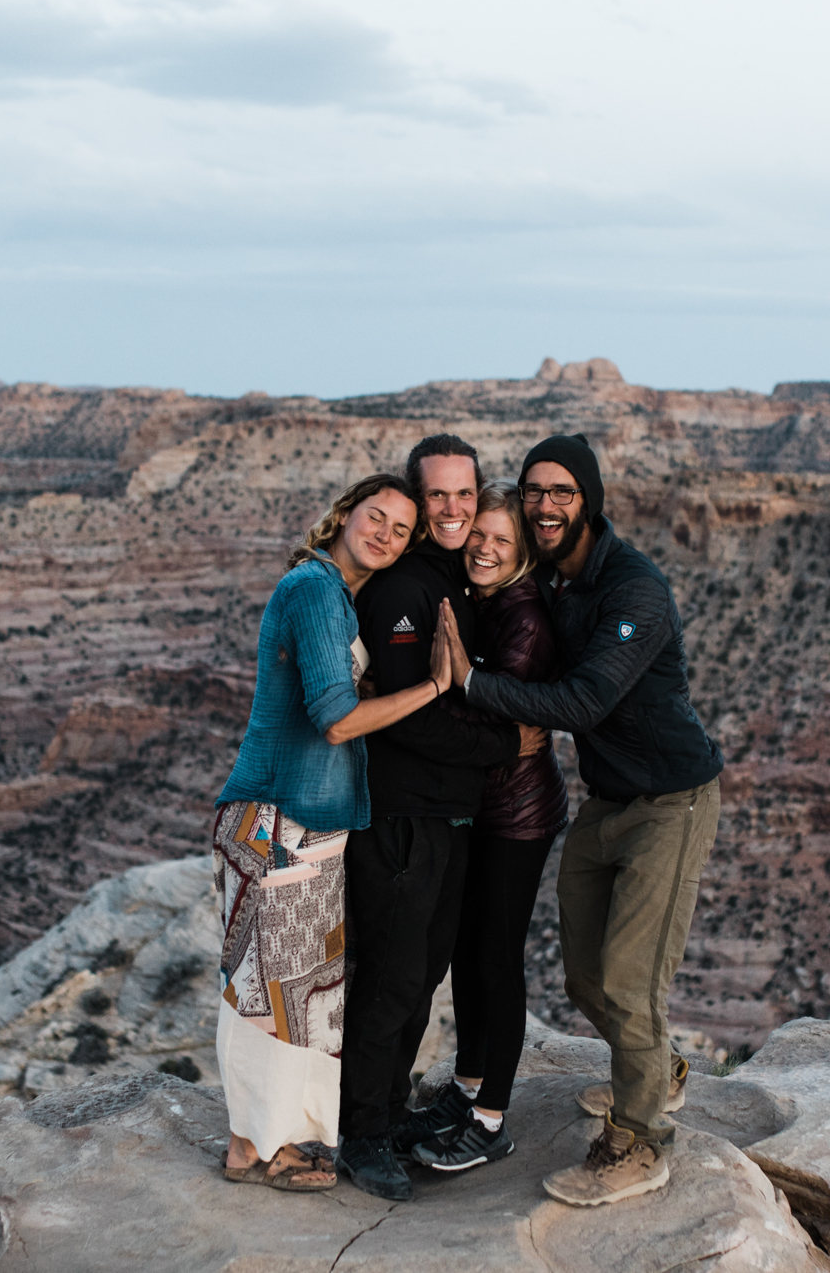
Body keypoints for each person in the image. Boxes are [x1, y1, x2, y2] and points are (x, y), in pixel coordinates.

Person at [438, 433, 723, 1207]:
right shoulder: (554, 580)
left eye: (562, 491)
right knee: (584, 976)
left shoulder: (635, 589)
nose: (546, 505)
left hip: (670, 802)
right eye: (534, 491)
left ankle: (639, 1140)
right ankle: (656, 1072)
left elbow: (583, 701)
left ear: (590, 498)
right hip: (606, 799)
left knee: (630, 983)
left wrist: (472, 683)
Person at [212, 473, 453, 1193]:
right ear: (344, 515)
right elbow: (337, 719)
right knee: (273, 991)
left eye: (400, 529)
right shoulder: (315, 590)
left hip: (310, 821)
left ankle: (275, 1141)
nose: (384, 533)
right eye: (374, 516)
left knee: (296, 990)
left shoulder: (335, 598)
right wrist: (437, 685)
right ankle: (260, 1143)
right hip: (277, 816)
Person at [336, 436, 548, 1202]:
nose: (456, 510)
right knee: (392, 980)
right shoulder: (403, 591)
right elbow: (399, 719)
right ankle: (360, 1134)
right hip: (400, 818)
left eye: (466, 495)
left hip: (448, 817)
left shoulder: (455, 583)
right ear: (418, 501)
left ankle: (387, 1113)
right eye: (440, 497)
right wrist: (503, 743)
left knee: (421, 976)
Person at [409, 482, 567, 1174]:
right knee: (472, 951)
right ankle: (468, 1087)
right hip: (488, 802)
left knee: (497, 958)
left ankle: (491, 1118)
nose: (486, 548)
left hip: (517, 811)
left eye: (504, 540)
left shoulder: (523, 616)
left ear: (523, 553)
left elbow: (494, 720)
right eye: (480, 535)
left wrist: (447, 689)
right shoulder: (484, 601)